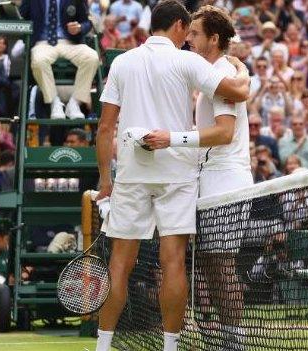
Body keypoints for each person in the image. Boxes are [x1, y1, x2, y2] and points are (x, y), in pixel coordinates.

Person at [94, 1, 250, 350]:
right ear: (179, 25)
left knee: (120, 263)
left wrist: (106, 180)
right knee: (173, 260)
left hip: (132, 173)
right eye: (189, 31)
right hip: (177, 173)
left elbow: (105, 129)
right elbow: (239, 92)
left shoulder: (121, 61)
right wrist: (242, 69)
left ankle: (103, 346)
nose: (190, 38)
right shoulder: (188, 61)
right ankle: (170, 346)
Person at [143, 5, 251, 348]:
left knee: (221, 264)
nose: (187, 39)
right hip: (210, 177)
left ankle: (235, 340)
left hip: (227, 180)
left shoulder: (222, 76)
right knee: (209, 263)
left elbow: (224, 134)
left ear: (213, 39)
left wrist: (172, 139)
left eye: (194, 34)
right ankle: (222, 336)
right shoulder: (217, 75)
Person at [19, 0, 100, 119]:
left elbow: (87, 22)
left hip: (70, 42)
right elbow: (20, 17)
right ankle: (54, 103)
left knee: (92, 57)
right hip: (43, 42)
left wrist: (79, 28)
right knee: (38, 60)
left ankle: (75, 103)